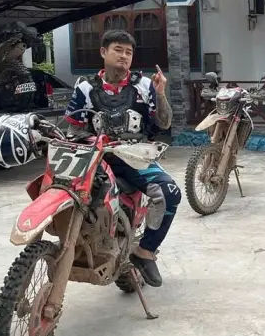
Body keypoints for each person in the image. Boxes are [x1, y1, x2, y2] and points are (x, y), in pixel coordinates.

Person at [65, 29, 180, 288]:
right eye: (118, 50)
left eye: (129, 52)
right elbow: (73, 128)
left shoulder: (145, 85)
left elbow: (164, 123)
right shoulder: (85, 88)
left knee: (170, 192)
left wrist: (160, 93)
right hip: (95, 157)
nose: (124, 56)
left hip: (133, 156)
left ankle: (145, 252)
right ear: (103, 52)